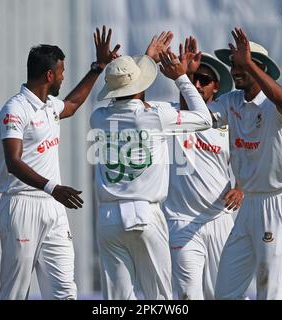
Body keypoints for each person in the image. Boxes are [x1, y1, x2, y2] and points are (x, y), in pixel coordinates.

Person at [0, 26, 120, 300]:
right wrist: (53, 188)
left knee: (64, 292)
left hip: (53, 208)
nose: (63, 77)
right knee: (16, 293)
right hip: (21, 204)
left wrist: (98, 67)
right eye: (61, 72)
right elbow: (13, 162)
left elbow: (72, 104)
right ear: (49, 75)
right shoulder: (14, 109)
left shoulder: (50, 105)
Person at [89, 32, 213, 300]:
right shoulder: (155, 116)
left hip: (108, 217)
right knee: (161, 299)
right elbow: (204, 118)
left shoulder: (97, 117)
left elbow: (132, 100)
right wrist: (181, 77)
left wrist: (144, 63)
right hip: (145, 214)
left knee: (117, 301)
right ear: (139, 86)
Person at [211, 28, 282, 300]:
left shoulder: (276, 103)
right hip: (248, 205)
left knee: (270, 293)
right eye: (233, 65)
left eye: (240, 65)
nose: (234, 71)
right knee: (226, 293)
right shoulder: (232, 101)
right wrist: (183, 78)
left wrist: (248, 62)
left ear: (258, 67)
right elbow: (198, 115)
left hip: (278, 204)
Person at [161, 36, 243, 300]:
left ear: (216, 88)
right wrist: (176, 73)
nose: (196, 86)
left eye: (204, 81)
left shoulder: (230, 121)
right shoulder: (171, 116)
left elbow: (252, 160)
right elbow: (133, 96)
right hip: (181, 221)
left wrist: (241, 187)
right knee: (187, 296)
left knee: (227, 295)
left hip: (219, 219)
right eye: (193, 79)